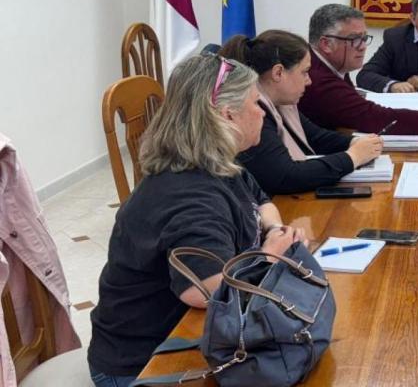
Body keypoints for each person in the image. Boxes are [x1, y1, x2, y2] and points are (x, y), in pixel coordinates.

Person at [88, 55, 308, 384]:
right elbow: (204, 291)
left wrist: (275, 230)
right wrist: (270, 255)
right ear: (227, 114)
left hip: (189, 336)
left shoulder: (216, 163)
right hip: (145, 362)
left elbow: (262, 202)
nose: (263, 112)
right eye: (255, 103)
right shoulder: (190, 193)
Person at [220, 30, 384, 195]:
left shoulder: (282, 103)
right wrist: (353, 157)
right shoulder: (252, 112)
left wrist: (356, 142)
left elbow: (316, 137)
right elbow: (285, 176)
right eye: (304, 72)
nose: (309, 81)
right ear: (278, 73)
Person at [299, 4, 418, 134]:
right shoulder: (319, 79)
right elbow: (377, 118)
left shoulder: (325, 66)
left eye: (364, 38)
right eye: (355, 39)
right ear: (326, 44)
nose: (363, 46)